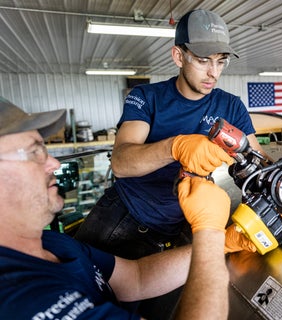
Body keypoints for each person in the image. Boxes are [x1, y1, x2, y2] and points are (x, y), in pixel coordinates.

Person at [0, 97, 231, 319]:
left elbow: (137, 278)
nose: (54, 163)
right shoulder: (20, 298)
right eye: (34, 152)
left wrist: (225, 243)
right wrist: (210, 231)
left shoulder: (52, 243)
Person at [75, 9, 260, 259]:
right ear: (178, 56)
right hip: (125, 217)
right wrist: (176, 147)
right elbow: (120, 163)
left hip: (179, 224)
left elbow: (256, 160)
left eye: (221, 61)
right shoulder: (146, 98)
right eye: (203, 60)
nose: (213, 73)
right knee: (90, 287)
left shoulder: (231, 106)